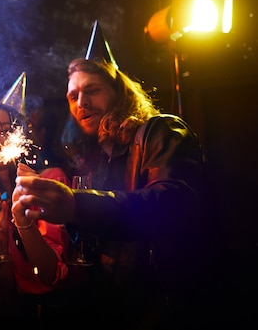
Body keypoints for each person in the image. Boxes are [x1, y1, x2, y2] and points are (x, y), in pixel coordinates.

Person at [13, 25, 223, 329]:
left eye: (93, 90)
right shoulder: (93, 161)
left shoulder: (160, 131)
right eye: (73, 95)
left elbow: (173, 205)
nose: (81, 103)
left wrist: (76, 206)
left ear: (120, 93)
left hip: (173, 307)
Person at [0, 103, 71, 328]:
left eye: (5, 131)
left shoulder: (46, 182)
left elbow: (48, 276)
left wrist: (23, 222)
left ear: (21, 137)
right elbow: (5, 291)